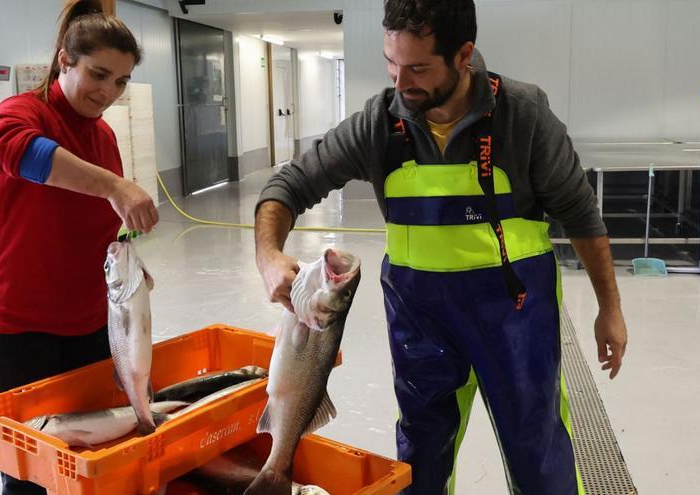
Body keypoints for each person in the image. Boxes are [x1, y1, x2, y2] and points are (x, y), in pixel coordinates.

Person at [254, 1, 628, 493]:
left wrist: (610, 307)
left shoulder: (524, 117)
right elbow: (291, 184)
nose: (400, 81)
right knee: (420, 463)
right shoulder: (380, 124)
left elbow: (582, 216)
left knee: (539, 458)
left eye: (418, 68)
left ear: (463, 55)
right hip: (421, 327)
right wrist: (268, 255)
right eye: (392, 63)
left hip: (515, 324)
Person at [0, 1, 158, 493]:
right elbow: (1, 146)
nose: (108, 91)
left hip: (87, 322)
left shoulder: (104, 136)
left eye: (120, 81)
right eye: (98, 74)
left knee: (91, 456)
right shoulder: (25, 112)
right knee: (31, 470)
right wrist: (115, 186)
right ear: (64, 61)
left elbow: (101, 226)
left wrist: (128, 261)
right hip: (14, 323)